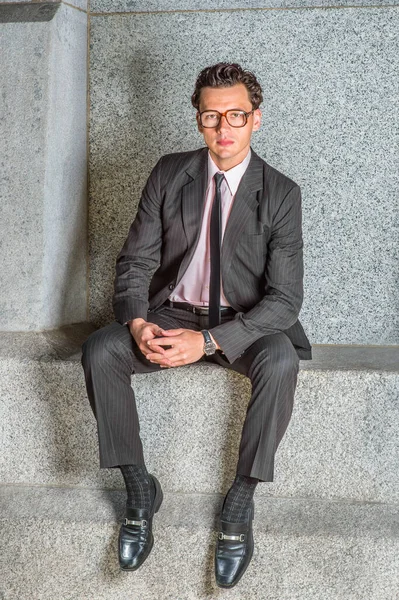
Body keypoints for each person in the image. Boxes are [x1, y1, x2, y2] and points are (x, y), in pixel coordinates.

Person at [81, 62, 312, 588]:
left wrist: (208, 342)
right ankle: (139, 489)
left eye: (236, 115)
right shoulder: (170, 172)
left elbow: (285, 300)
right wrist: (138, 323)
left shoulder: (280, 192)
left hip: (244, 322)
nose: (223, 128)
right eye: (211, 116)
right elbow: (136, 262)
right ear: (199, 121)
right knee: (101, 349)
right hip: (171, 311)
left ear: (256, 119)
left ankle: (241, 499)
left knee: (280, 360)